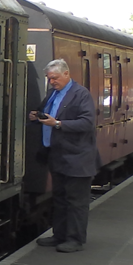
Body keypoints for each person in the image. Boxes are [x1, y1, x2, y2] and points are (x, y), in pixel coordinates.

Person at [28, 59, 99, 253]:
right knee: (59, 198)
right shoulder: (53, 94)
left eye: (55, 78)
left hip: (77, 157)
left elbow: (87, 123)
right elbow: (48, 116)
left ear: (66, 74)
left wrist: (58, 124)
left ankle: (75, 239)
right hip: (57, 155)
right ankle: (59, 235)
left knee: (76, 201)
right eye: (49, 78)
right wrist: (37, 116)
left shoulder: (81, 94)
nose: (52, 82)